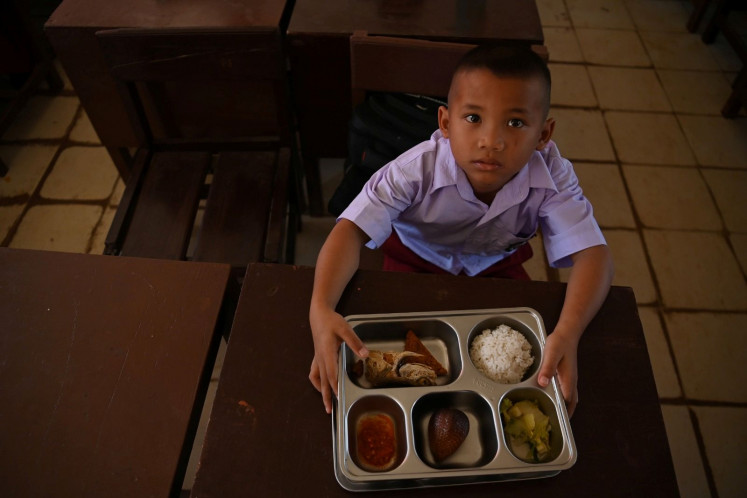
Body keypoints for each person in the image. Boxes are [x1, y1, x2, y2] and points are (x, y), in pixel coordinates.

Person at [308, 45, 614, 417]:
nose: (491, 141)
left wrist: (568, 332)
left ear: (543, 134)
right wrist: (320, 308)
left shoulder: (552, 175)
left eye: (515, 123)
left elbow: (594, 255)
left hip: (497, 263)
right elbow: (350, 230)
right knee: (392, 345)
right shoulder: (415, 168)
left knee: (523, 351)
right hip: (415, 257)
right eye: (473, 118)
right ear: (446, 123)